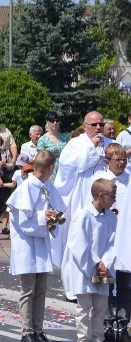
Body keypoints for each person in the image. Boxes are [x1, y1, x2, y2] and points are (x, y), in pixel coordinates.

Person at [7, 151, 64, 342]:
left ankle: (38, 330)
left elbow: (58, 207)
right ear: (50, 168)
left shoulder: (47, 186)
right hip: (27, 244)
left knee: (41, 290)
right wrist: (44, 216)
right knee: (28, 290)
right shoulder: (27, 188)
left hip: (41, 242)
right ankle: (26, 332)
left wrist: (54, 216)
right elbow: (23, 222)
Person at [62, 178, 118, 342]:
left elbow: (112, 243)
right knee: (84, 307)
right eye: (112, 197)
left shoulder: (110, 216)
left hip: (103, 268)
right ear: (101, 196)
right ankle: (83, 341)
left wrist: (105, 263)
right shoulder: (83, 216)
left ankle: (98, 340)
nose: (114, 200)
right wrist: (96, 262)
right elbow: (79, 243)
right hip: (84, 266)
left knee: (101, 307)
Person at [52, 110, 114, 265]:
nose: (98, 127)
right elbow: (70, 166)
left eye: (101, 124)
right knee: (83, 230)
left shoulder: (110, 143)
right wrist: (91, 147)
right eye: (94, 124)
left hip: (108, 196)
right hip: (83, 193)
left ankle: (104, 264)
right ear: (85, 126)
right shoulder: (75, 143)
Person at [89, 144, 130, 342]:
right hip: (106, 238)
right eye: (118, 160)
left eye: (124, 159)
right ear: (108, 161)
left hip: (126, 238)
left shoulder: (129, 180)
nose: (122, 163)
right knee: (106, 283)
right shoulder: (101, 182)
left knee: (126, 284)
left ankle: (122, 326)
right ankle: (105, 325)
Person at [37, 111, 67, 180]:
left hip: (64, 170)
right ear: (47, 122)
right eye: (52, 121)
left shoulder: (65, 138)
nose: (55, 123)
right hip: (49, 171)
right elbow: (40, 158)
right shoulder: (43, 139)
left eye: (57, 121)